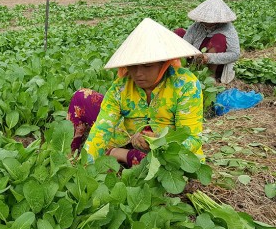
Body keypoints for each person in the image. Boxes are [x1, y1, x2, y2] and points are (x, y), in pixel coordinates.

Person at [67, 18, 204, 167]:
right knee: (82, 97)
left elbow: (192, 138)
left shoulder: (185, 85)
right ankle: (72, 157)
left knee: (160, 164)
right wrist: (83, 167)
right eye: (132, 66)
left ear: (164, 63)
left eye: (147, 66)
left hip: (168, 151)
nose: (138, 73)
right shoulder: (121, 87)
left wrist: (158, 141)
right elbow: (101, 129)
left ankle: (118, 154)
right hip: (128, 139)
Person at [175, 0, 240, 84]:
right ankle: (179, 68)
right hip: (194, 58)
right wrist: (189, 53)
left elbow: (235, 54)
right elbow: (186, 42)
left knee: (219, 39)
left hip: (214, 63)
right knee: (179, 32)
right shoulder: (197, 25)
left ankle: (210, 76)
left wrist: (208, 57)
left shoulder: (228, 29)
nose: (205, 23)